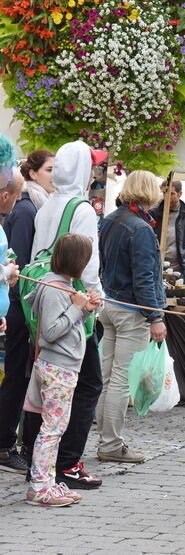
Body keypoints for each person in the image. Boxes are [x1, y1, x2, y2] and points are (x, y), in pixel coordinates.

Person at [21, 141, 105, 491]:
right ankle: (65, 463)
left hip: (43, 297)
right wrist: (96, 302)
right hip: (73, 304)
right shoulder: (81, 208)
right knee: (86, 385)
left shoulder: (48, 203)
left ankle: (36, 459)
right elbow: (89, 263)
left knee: (40, 388)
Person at [96, 170, 167, 464]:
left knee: (108, 377)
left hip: (110, 303)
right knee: (119, 380)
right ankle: (111, 444)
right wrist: (155, 318)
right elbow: (144, 279)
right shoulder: (139, 228)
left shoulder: (111, 219)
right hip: (129, 310)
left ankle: (107, 440)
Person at [23, 233, 100, 507]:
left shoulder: (63, 286)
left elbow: (69, 325)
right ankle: (40, 486)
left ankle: (47, 482)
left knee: (54, 428)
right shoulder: (56, 289)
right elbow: (52, 331)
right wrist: (77, 308)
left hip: (60, 365)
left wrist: (85, 310)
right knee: (52, 429)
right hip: (58, 367)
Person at [0, 149, 47, 475]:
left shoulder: (31, 207)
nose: (53, 175)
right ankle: (5, 445)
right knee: (16, 378)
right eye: (49, 169)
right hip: (18, 311)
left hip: (14, 310)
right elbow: (17, 263)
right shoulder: (27, 210)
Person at [150, 180, 185, 280]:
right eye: (164, 193)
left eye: (171, 193)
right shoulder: (153, 213)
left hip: (179, 267)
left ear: (180, 194)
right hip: (155, 264)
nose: (167, 196)